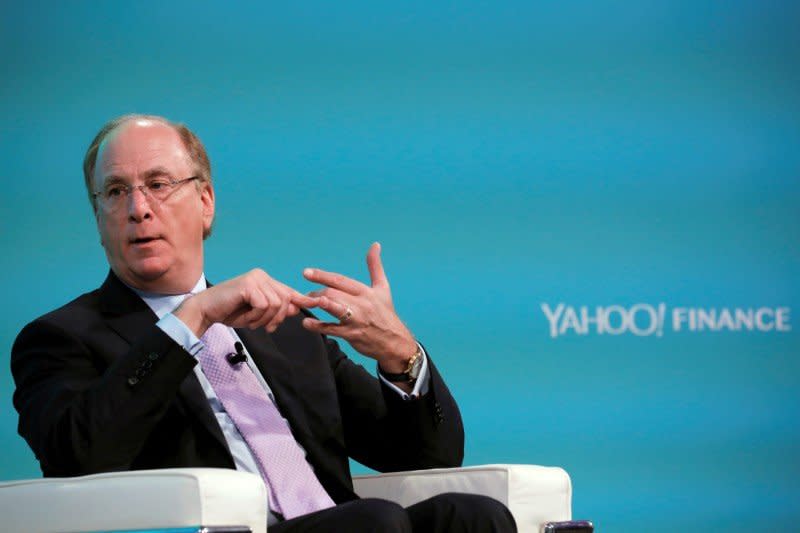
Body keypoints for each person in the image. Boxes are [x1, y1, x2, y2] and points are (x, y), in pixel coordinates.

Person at [11, 114, 515, 532]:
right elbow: (74, 457)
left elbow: (428, 458)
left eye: (158, 185)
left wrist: (400, 355)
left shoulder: (285, 328)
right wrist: (193, 318)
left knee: (474, 516)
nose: (138, 209)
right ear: (98, 217)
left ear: (205, 203)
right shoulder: (60, 338)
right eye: (116, 192)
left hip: (341, 524)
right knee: (375, 524)